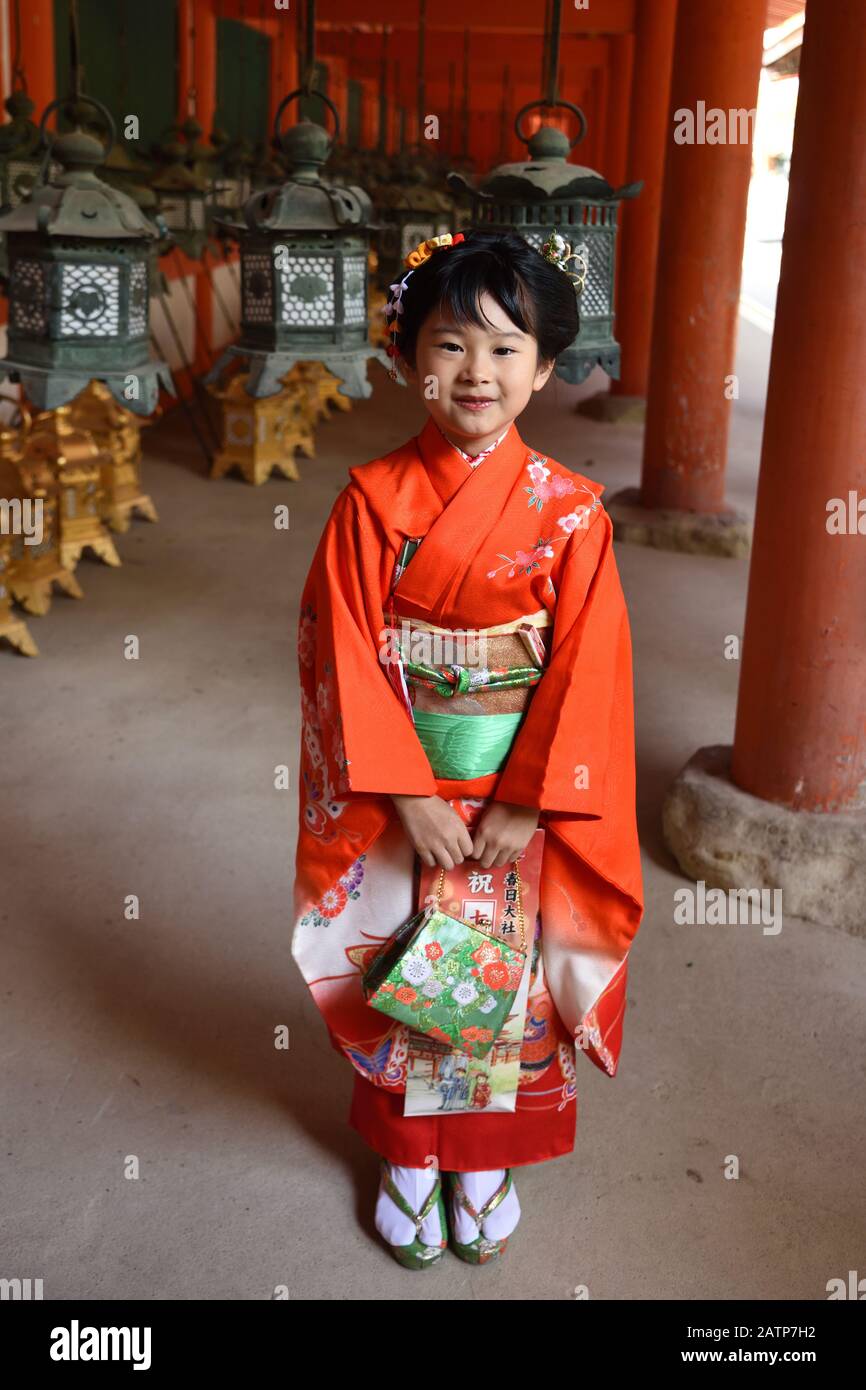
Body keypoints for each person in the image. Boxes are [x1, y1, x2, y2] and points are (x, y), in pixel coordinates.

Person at [291, 228, 644, 1270]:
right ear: (410, 358)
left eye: (503, 348)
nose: (475, 372)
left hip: (513, 800)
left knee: (503, 983)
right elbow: (341, 655)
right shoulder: (370, 501)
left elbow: (588, 670)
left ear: (543, 369)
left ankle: (479, 1162)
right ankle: (408, 1157)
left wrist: (529, 801)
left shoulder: (571, 516)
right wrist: (406, 793)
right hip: (405, 800)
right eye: (448, 344)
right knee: (405, 971)